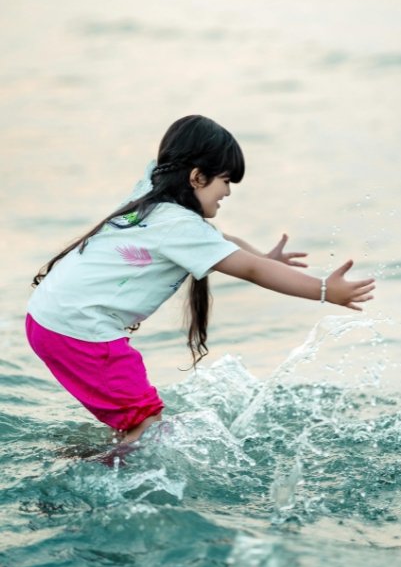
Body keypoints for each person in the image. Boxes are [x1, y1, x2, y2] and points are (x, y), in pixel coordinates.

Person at [26, 115, 376, 445]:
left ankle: (91, 455)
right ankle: (98, 476)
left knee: (135, 420)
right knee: (147, 427)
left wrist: (261, 256)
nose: (227, 192)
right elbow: (249, 270)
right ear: (196, 177)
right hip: (80, 330)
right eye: (225, 180)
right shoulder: (179, 226)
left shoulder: (151, 192)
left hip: (49, 317)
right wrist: (325, 290)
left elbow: (219, 245)